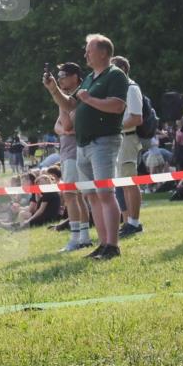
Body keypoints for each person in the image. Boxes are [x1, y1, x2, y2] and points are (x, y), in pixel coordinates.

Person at [44, 34, 128, 260]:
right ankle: (102, 244)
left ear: (102, 52)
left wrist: (89, 100)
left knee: (105, 193)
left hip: (103, 141)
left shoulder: (115, 75)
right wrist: (54, 90)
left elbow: (118, 106)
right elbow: (71, 104)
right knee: (91, 195)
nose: (85, 54)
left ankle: (113, 245)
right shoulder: (90, 77)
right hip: (83, 144)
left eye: (89, 50)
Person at [49, 62, 92, 251]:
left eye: (63, 75)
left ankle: (76, 238)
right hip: (68, 150)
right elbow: (57, 127)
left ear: (75, 76)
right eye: (58, 76)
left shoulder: (80, 96)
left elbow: (65, 125)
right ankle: (83, 236)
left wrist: (61, 105)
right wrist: (63, 130)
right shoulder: (67, 98)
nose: (59, 80)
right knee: (78, 196)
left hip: (75, 152)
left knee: (71, 195)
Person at [110, 56, 145, 238]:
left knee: (130, 182)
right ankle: (128, 221)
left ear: (122, 68)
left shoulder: (131, 88)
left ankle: (134, 222)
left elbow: (136, 118)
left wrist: (113, 126)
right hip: (121, 138)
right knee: (124, 183)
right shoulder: (122, 89)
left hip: (128, 138)